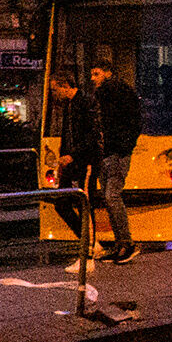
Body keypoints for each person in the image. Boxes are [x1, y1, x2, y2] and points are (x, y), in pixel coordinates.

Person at [89, 63, 141, 262]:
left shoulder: (115, 91)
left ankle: (126, 243)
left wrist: (122, 146)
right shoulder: (109, 92)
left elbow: (131, 121)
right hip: (110, 151)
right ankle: (120, 244)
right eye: (92, 74)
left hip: (115, 152)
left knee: (112, 196)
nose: (93, 78)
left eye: (97, 74)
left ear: (108, 73)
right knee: (109, 197)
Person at [51, 73, 103, 250]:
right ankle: (86, 240)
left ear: (65, 85)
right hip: (71, 162)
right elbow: (67, 135)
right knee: (61, 203)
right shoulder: (70, 105)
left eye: (55, 89)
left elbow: (92, 135)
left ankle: (90, 245)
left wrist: (72, 154)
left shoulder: (85, 103)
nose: (54, 94)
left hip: (85, 160)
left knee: (84, 204)